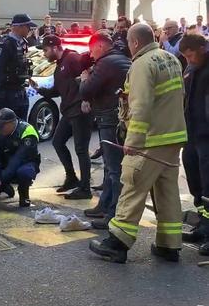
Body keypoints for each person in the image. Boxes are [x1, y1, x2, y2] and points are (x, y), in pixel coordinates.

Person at [90, 23, 187, 263]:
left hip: (150, 139)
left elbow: (140, 106)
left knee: (132, 186)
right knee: (167, 191)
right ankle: (169, 244)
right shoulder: (171, 59)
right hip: (172, 137)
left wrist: (133, 141)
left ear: (135, 43)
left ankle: (117, 243)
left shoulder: (142, 65)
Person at [79, 30, 132, 229]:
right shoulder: (120, 58)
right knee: (111, 168)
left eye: (92, 50)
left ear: (100, 46)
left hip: (110, 119)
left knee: (114, 169)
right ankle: (105, 206)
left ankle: (112, 214)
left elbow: (87, 89)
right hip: (116, 117)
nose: (90, 54)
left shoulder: (106, 63)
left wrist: (85, 77)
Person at [30, 35, 92, 199]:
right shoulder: (59, 66)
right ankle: (71, 178)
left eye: (45, 50)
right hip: (69, 111)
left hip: (80, 111)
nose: (44, 54)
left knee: (81, 149)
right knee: (57, 142)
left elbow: (87, 77)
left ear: (55, 47)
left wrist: (86, 100)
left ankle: (85, 188)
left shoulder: (72, 58)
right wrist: (38, 89)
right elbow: (57, 91)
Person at [179, 34, 209, 256]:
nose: (189, 59)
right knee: (195, 182)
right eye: (185, 57)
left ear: (202, 48)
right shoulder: (189, 70)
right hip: (191, 135)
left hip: (207, 137)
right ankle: (201, 224)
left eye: (190, 55)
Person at [0, 13, 34, 120]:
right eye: (27, 26)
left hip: (21, 93)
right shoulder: (6, 45)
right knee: (3, 128)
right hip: (7, 95)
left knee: (21, 127)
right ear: (19, 27)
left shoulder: (23, 43)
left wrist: (28, 78)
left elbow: (20, 64)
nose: (30, 29)